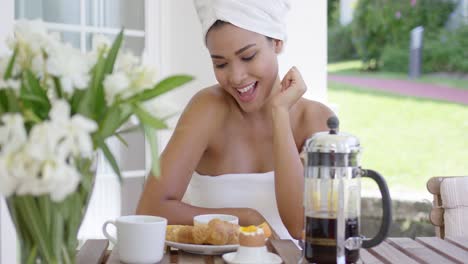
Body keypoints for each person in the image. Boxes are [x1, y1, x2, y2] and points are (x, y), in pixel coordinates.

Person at [136, 0, 334, 241]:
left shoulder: (316, 120)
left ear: (277, 42)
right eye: (220, 63)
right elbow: (150, 210)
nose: (236, 77)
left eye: (248, 56)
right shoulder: (207, 110)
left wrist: (279, 114)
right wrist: (246, 218)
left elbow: (300, 227)